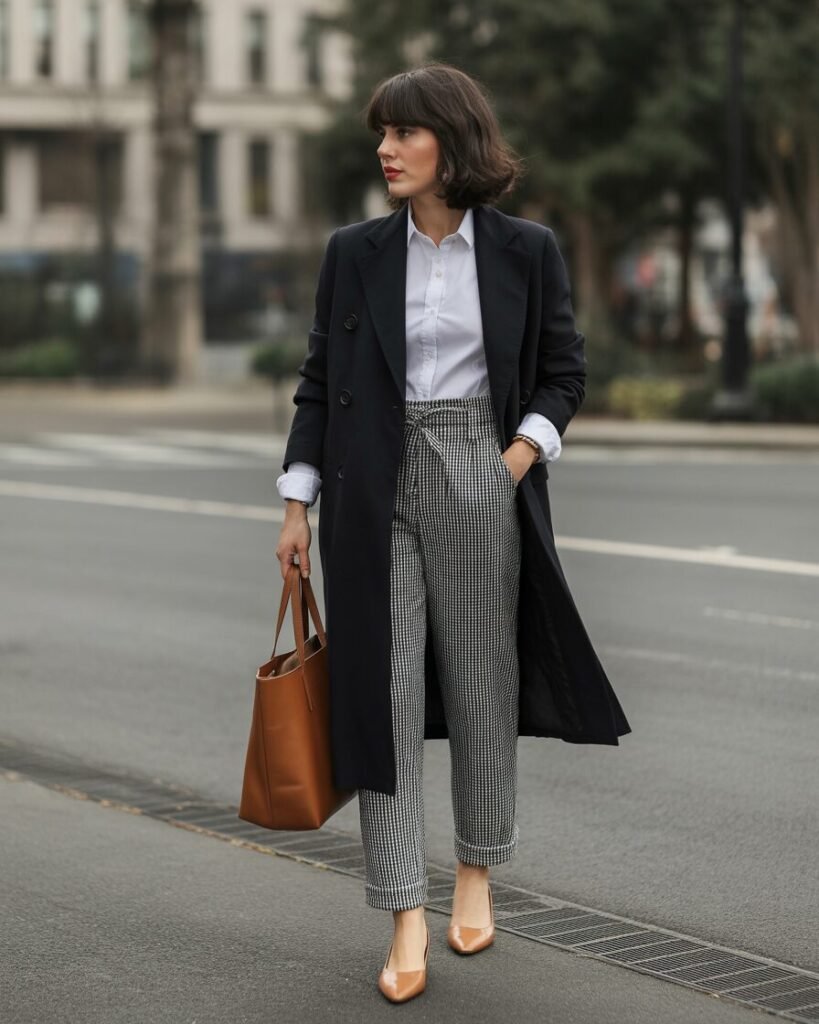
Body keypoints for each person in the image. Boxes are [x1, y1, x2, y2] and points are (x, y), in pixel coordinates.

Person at [275, 61, 631, 1004]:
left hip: (479, 465)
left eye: (404, 132)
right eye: (380, 134)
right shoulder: (354, 250)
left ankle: (474, 870)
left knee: (480, 680)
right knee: (378, 698)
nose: (386, 150)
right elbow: (320, 379)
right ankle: (402, 914)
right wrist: (295, 500)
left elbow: (563, 371)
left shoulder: (525, 249)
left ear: (453, 142)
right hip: (369, 480)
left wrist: (514, 458)